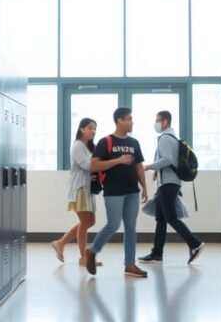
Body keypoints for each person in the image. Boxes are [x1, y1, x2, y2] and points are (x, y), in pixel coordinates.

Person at [85, 107, 149, 278]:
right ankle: (92, 251)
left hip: (132, 192)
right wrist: (118, 160)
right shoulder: (105, 142)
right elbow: (94, 165)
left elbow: (138, 166)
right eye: (129, 118)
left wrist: (144, 187)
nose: (132, 122)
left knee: (131, 227)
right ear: (120, 121)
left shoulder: (134, 143)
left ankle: (130, 264)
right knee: (113, 224)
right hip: (113, 191)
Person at [139, 111, 206, 264]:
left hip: (168, 184)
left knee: (171, 218)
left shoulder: (164, 138)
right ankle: (157, 253)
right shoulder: (173, 138)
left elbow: (167, 159)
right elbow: (169, 159)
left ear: (165, 122)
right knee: (161, 219)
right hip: (169, 183)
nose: (155, 123)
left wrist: (150, 166)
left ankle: (195, 244)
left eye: (157, 120)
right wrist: (157, 170)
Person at [51, 118, 103, 267]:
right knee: (87, 222)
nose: (93, 131)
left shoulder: (87, 147)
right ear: (81, 129)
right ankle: (82, 257)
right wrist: (102, 163)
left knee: (88, 221)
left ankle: (61, 243)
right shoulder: (78, 146)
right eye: (90, 128)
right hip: (80, 188)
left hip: (87, 188)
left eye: (94, 128)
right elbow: (87, 165)